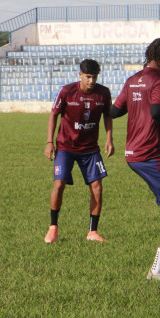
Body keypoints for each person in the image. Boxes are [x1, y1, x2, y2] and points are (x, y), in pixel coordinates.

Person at [110, 37, 160, 281]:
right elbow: (156, 111)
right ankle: (158, 269)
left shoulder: (133, 79)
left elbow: (115, 110)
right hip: (149, 153)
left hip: (132, 153)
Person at [44, 59, 113, 243]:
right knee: (59, 184)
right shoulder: (66, 91)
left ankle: (93, 232)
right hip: (66, 147)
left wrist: (109, 138)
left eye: (95, 77)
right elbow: (53, 114)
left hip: (90, 149)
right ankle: (53, 227)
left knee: (97, 187)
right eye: (88, 77)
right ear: (80, 74)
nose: (91, 81)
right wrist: (50, 142)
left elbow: (108, 115)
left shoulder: (104, 93)